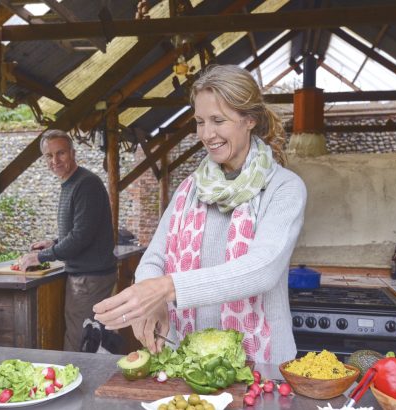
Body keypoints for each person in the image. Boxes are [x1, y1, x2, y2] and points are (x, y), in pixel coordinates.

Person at [93, 65, 307, 364]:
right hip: (187, 357)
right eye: (200, 121)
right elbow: (155, 257)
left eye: (218, 120)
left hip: (259, 360)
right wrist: (151, 298)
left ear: (249, 120)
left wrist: (166, 289)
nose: (207, 134)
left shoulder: (283, 188)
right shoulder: (190, 189)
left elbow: (262, 269)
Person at [19, 129, 117, 352]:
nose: (55, 160)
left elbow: (81, 236)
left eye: (60, 153)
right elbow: (80, 230)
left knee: (80, 342)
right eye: (49, 156)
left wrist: (41, 256)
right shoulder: (72, 183)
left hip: (89, 279)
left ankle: (79, 386)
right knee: (93, 338)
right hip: (89, 276)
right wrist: (53, 243)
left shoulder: (86, 184)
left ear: (72, 153)